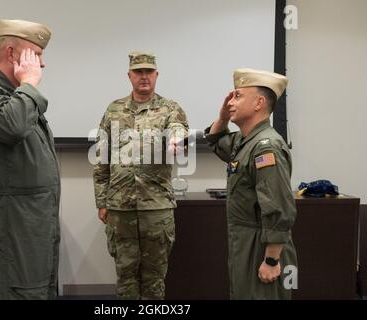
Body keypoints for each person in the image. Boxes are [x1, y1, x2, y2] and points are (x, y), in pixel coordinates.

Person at [0, 18, 60, 300]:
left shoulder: (15, 96)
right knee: (13, 292)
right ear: (11, 54)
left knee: (38, 289)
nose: (41, 65)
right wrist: (29, 83)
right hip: (10, 222)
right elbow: (11, 127)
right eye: (36, 55)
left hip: (31, 220)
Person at [93, 51, 189, 299]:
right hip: (119, 208)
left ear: (157, 75)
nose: (143, 77)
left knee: (154, 277)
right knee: (125, 275)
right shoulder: (113, 110)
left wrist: (177, 140)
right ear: (129, 75)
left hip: (155, 208)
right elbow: (101, 160)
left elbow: (178, 129)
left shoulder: (170, 109)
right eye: (138, 72)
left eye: (148, 72)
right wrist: (102, 201)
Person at [205, 68, 298, 299]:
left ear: (259, 103)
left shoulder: (266, 146)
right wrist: (223, 116)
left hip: (262, 245)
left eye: (238, 96)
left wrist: (271, 259)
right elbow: (216, 141)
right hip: (245, 241)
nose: (231, 102)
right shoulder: (245, 140)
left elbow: (278, 207)